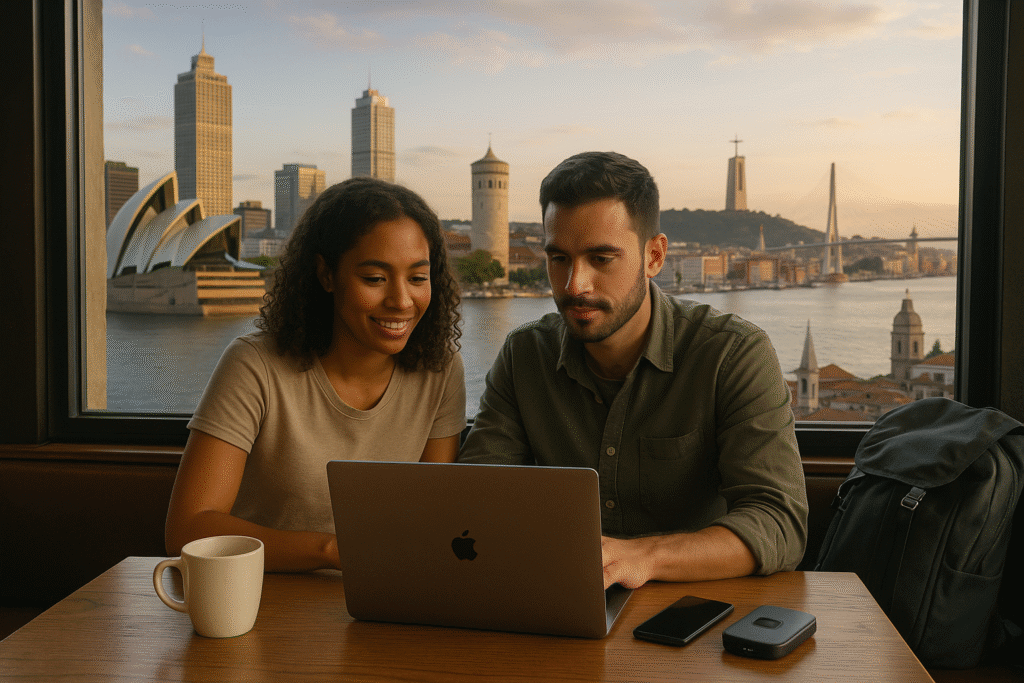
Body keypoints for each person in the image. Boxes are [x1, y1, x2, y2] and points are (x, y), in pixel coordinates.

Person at [459, 151, 807, 589]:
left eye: (601, 259)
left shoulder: (732, 354)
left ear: (654, 256)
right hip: (558, 598)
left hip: (692, 616)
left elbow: (780, 523)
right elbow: (477, 496)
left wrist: (643, 557)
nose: (574, 285)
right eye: (559, 259)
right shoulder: (524, 355)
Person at [166, 177, 466, 572]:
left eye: (417, 277)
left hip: (384, 597)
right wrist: (333, 552)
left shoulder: (441, 369)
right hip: (260, 603)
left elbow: (432, 513)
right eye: (375, 279)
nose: (401, 301)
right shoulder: (254, 365)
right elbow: (187, 530)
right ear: (326, 275)